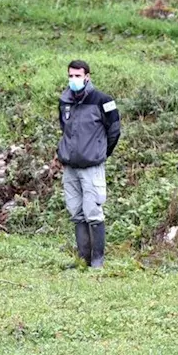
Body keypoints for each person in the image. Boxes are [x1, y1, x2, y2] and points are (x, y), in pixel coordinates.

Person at [56, 59, 121, 269]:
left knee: (93, 212)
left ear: (87, 77)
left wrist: (102, 152)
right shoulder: (64, 100)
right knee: (76, 212)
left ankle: (97, 260)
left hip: (92, 166)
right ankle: (82, 259)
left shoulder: (103, 100)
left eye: (77, 76)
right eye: (70, 76)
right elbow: (64, 129)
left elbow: (114, 131)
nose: (73, 80)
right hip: (70, 166)